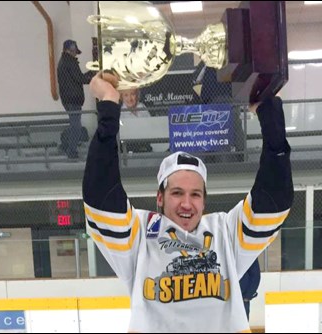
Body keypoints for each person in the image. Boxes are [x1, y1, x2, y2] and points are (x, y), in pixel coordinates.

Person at [83, 71, 293, 332]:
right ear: (159, 197)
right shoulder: (139, 235)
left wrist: (269, 113)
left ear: (204, 202)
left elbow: (274, 198)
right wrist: (109, 105)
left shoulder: (225, 233)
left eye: (195, 194)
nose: (186, 203)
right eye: (177, 193)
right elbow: (100, 196)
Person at [57, 39, 94, 159]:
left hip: (68, 99)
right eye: (74, 51)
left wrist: (90, 75)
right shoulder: (70, 62)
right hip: (73, 99)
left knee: (74, 125)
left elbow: (77, 78)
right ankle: (71, 151)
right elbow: (80, 79)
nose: (75, 54)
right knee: (76, 126)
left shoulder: (63, 62)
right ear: (70, 50)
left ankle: (65, 146)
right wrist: (94, 76)